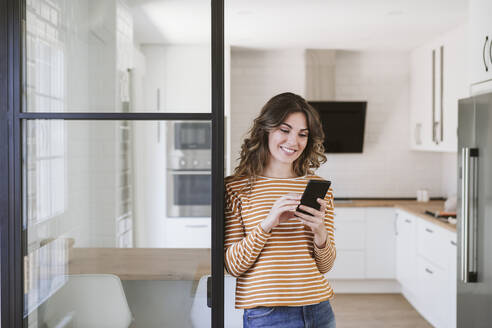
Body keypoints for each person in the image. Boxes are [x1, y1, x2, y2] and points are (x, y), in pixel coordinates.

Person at [224, 92, 336, 328]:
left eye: (302, 134)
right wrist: (268, 223)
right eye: (284, 130)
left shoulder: (319, 187)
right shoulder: (236, 187)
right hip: (268, 314)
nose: (293, 142)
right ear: (266, 129)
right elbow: (233, 266)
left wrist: (320, 232)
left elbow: (325, 266)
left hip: (319, 308)